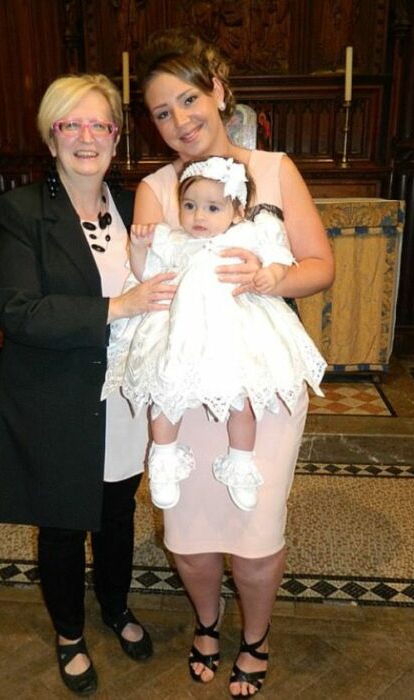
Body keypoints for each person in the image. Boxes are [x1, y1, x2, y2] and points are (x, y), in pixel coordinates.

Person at [134, 30, 335, 697]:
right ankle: (206, 622)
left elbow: (318, 266)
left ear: (218, 92)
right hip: (185, 379)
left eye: (187, 100)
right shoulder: (156, 187)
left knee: (254, 531)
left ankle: (255, 635)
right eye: (162, 113)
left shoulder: (274, 170)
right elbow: (145, 280)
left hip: (260, 383)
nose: (179, 121)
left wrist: (269, 276)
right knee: (188, 534)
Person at [0, 73, 175, 696]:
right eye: (72, 124)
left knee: (117, 513)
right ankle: (70, 632)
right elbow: (17, 310)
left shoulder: (132, 206)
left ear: (117, 137)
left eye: (100, 125)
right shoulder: (20, 210)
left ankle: (116, 608)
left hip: (123, 398)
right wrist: (118, 307)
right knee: (64, 523)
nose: (86, 138)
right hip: (56, 397)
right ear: (51, 136)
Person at [102, 156, 326, 514]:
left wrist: (274, 274)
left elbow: (280, 256)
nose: (198, 217)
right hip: (181, 334)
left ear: (237, 211)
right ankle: (164, 459)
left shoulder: (250, 233)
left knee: (242, 402)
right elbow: (147, 275)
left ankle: (240, 462)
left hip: (232, 335)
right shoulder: (175, 240)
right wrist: (141, 249)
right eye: (189, 206)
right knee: (165, 393)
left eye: (212, 207)